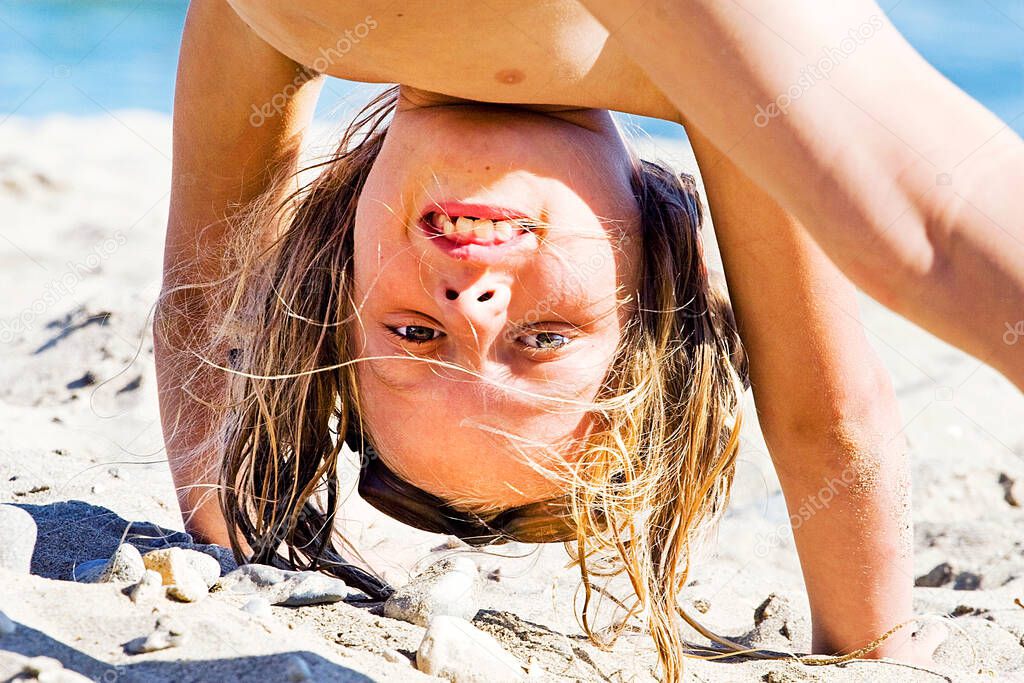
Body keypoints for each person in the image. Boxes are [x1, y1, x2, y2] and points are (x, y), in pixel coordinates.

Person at [156, 0, 1004, 677]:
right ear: (654, 274)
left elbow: (201, 303)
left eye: (415, 332)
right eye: (542, 339)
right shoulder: (713, 64)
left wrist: (224, 525)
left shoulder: (294, 18)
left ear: (335, 273)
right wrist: (874, 642)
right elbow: (839, 387)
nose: (471, 302)